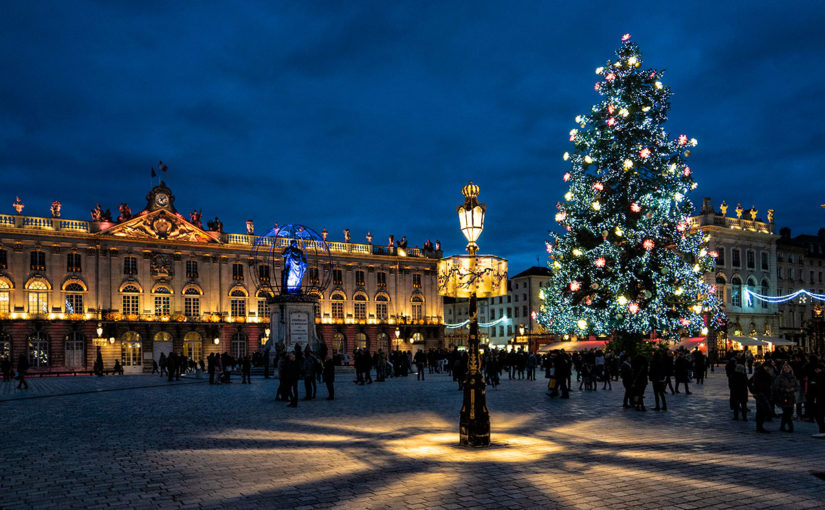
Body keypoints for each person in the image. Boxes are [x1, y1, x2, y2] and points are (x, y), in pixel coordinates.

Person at [772, 362, 799, 433]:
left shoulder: (793, 377)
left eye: (788, 368)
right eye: (785, 368)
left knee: (789, 411)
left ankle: (782, 426)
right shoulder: (780, 377)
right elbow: (776, 387)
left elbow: (797, 386)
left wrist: (793, 389)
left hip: (791, 397)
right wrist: (784, 389)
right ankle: (790, 427)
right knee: (787, 411)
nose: (786, 369)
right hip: (783, 396)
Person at [750, 362, 773, 433]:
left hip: (762, 393)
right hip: (761, 393)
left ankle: (759, 426)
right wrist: (755, 390)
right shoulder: (760, 373)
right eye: (769, 368)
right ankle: (759, 427)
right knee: (762, 410)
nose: (769, 369)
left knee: (761, 410)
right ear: (765, 367)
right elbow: (750, 382)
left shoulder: (760, 372)